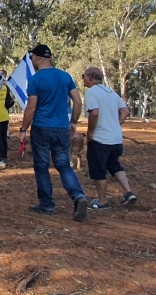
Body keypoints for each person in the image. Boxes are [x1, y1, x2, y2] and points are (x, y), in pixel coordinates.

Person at [19, 44, 88, 222]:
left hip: (42, 127)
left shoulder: (35, 80)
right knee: (64, 165)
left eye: (32, 57)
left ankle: (46, 204)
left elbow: (31, 107)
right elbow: (78, 101)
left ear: (36, 57)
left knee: (42, 167)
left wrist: (23, 129)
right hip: (61, 128)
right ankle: (78, 196)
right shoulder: (65, 76)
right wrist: (73, 121)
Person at [81, 67, 137, 209]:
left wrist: (90, 132)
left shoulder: (91, 92)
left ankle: (102, 201)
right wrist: (115, 124)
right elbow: (125, 111)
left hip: (100, 139)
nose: (83, 79)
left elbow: (94, 113)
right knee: (114, 165)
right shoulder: (111, 92)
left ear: (90, 77)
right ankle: (128, 192)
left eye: (83, 76)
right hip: (116, 138)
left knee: (98, 170)